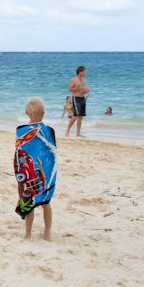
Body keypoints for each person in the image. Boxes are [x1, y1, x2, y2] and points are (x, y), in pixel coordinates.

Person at [15, 97, 56, 241]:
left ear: (26, 112)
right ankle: (47, 233)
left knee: (29, 202)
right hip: (45, 173)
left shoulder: (21, 131)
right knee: (46, 203)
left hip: (28, 176)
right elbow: (52, 155)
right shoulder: (49, 131)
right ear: (43, 113)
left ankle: (28, 234)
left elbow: (19, 154)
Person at [66, 66, 90, 137]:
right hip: (76, 98)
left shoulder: (84, 81)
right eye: (85, 71)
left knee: (81, 116)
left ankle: (78, 133)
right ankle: (67, 130)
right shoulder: (74, 79)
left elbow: (82, 91)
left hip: (82, 98)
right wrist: (82, 88)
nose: (86, 73)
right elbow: (70, 89)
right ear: (80, 72)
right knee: (76, 115)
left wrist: (86, 91)